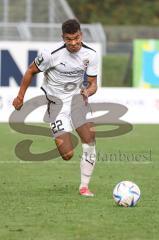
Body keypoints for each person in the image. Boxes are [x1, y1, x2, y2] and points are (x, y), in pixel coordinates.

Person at [13, 19, 98, 197]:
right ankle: (60, 129)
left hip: (76, 101)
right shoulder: (51, 54)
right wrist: (20, 97)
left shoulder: (91, 54)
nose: (73, 43)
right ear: (63, 38)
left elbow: (93, 84)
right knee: (67, 154)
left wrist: (87, 92)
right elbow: (30, 71)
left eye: (76, 38)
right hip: (56, 104)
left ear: (81, 35)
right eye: (69, 39)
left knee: (90, 140)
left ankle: (84, 187)